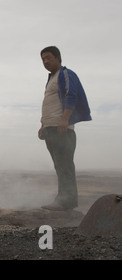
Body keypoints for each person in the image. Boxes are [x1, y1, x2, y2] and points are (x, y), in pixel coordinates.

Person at [38, 46, 91, 211]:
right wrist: (43, 125)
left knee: (65, 165)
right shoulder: (51, 79)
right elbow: (50, 104)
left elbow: (71, 95)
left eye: (48, 58)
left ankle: (66, 201)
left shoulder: (66, 74)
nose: (46, 62)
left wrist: (65, 120)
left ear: (58, 57)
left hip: (62, 128)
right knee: (59, 166)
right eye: (43, 59)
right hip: (50, 128)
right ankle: (63, 200)